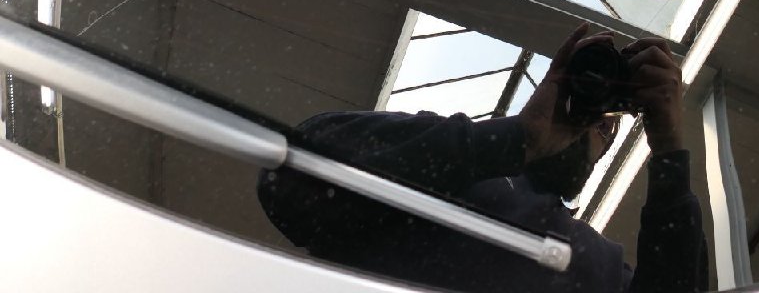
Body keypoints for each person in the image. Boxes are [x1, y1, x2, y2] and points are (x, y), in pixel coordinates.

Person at [257, 25, 708, 292]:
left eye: (612, 125)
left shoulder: (600, 263)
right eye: (594, 110)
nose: (602, 127)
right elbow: (293, 175)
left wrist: (669, 147)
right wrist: (517, 140)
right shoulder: (450, 168)